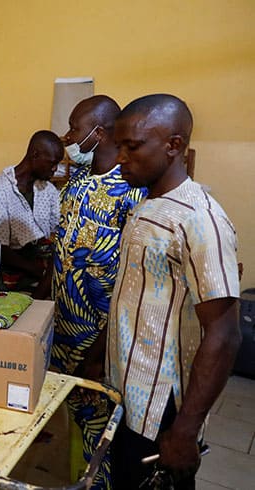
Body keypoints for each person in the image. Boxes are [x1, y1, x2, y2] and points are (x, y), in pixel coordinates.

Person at [108, 94, 241, 489]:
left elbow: (224, 333)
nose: (120, 158)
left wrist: (186, 429)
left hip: (162, 408)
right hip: (127, 395)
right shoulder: (147, 205)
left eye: (132, 147)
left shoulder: (201, 221)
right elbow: (132, 293)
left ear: (174, 146)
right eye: (118, 147)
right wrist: (100, 354)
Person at [45, 95, 147, 489]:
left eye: (74, 129)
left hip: (98, 337)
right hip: (62, 326)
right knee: (71, 415)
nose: (68, 137)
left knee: (98, 428)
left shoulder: (131, 190)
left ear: (99, 133)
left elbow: (134, 280)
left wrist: (103, 346)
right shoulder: (77, 181)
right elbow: (61, 247)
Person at [0, 130, 64, 294]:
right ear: (35, 155)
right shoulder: (1, 190)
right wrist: (39, 272)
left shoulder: (47, 190)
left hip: (40, 266)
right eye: (52, 163)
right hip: (12, 268)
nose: (55, 169)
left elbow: (59, 228)